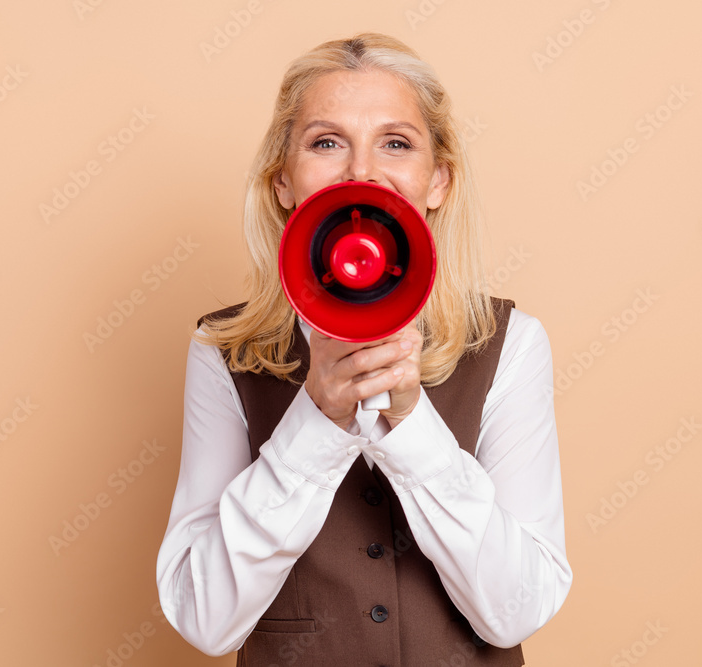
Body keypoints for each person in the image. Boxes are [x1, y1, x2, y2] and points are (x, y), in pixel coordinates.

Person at [156, 32, 572, 666]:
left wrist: (411, 423)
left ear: (437, 181)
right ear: (283, 184)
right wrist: (314, 424)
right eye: (326, 143)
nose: (361, 173)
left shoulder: (511, 344)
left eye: (396, 143)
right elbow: (203, 618)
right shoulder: (225, 352)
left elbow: (516, 610)